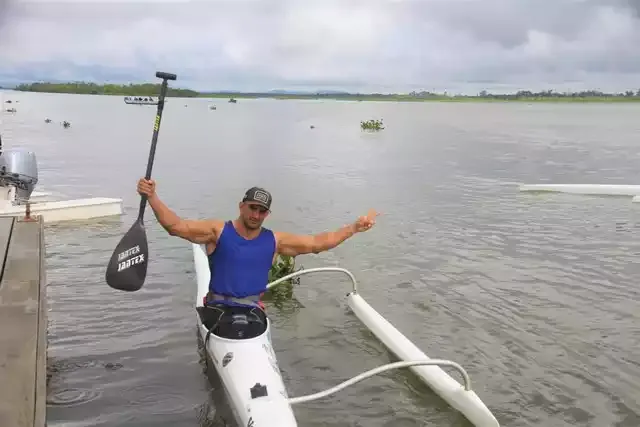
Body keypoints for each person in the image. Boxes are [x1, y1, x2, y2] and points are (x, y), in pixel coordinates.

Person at [137, 178, 377, 331]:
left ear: (267, 214)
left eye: (262, 211)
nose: (256, 215)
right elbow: (176, 227)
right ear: (241, 206)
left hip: (253, 314)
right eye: (252, 208)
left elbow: (317, 243)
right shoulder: (217, 231)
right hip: (217, 312)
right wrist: (152, 197)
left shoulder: (274, 240)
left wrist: (353, 228)